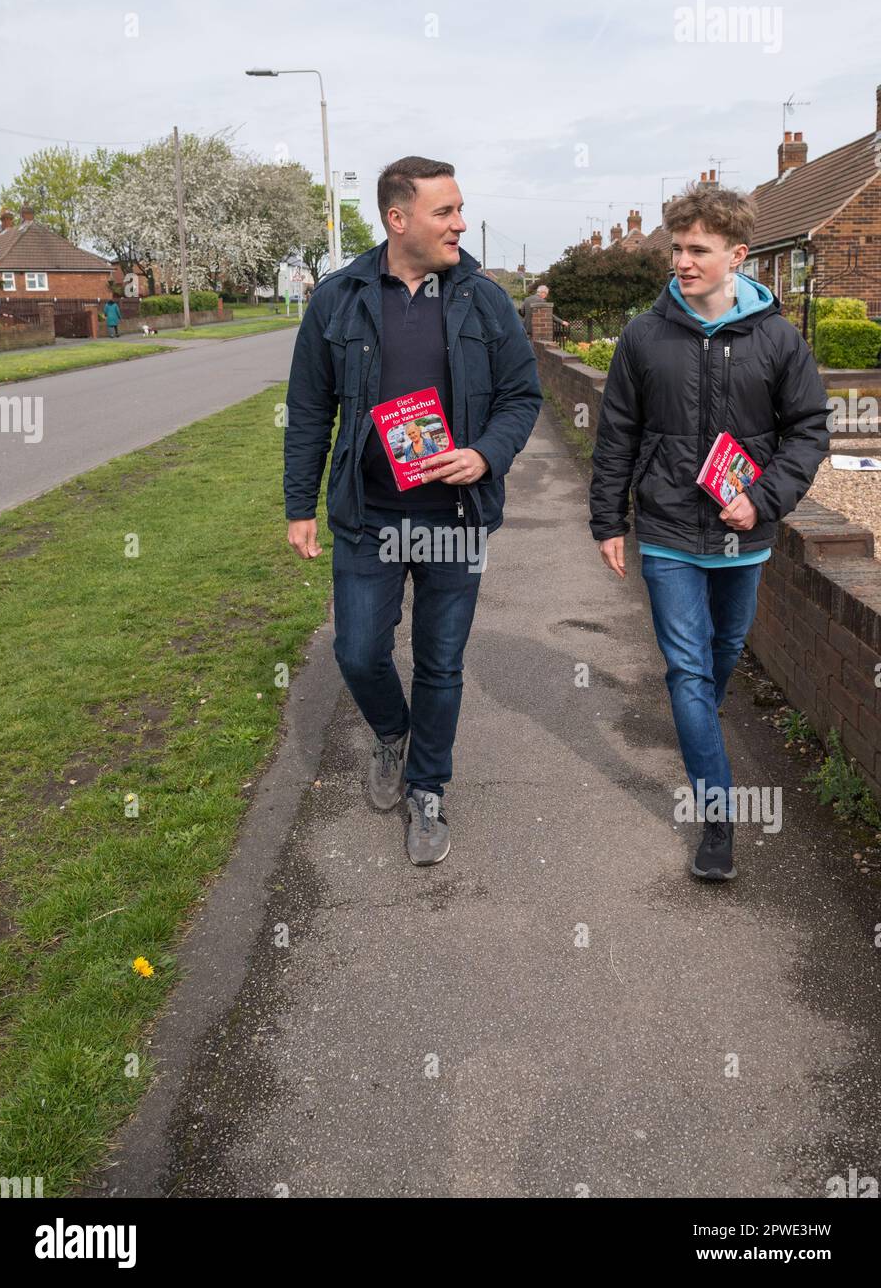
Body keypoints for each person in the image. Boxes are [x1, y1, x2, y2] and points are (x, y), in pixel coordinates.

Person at [284, 155, 542, 866]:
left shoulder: (484, 301)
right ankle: (392, 735)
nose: (461, 223)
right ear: (398, 220)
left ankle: (428, 788)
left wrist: (486, 452)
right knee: (359, 651)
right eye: (445, 211)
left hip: (454, 517)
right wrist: (298, 505)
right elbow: (308, 411)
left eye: (460, 209)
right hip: (369, 514)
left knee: (441, 663)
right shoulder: (337, 299)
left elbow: (524, 395)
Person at [588, 181, 829, 882]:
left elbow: (809, 430)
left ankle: (699, 726)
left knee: (723, 651)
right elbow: (617, 434)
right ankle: (717, 816)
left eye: (698, 250)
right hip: (667, 531)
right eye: (677, 248)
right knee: (689, 669)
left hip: (743, 536)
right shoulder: (642, 335)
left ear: (737, 254)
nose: (683, 262)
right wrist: (609, 520)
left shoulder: (779, 338)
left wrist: (762, 499)